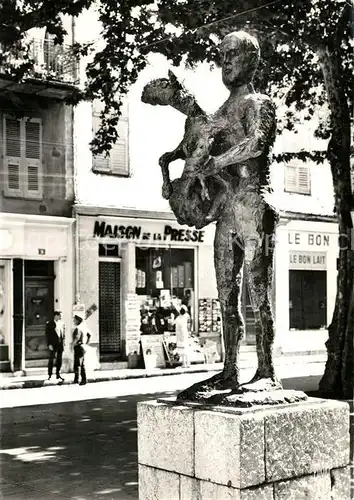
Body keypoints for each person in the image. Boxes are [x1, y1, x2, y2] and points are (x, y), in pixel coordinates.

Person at [45, 311, 65, 381]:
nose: (61, 317)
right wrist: (49, 344)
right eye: (60, 316)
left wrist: (63, 343)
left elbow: (63, 335)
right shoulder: (49, 324)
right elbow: (47, 335)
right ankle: (50, 374)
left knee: (59, 360)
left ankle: (58, 374)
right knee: (51, 359)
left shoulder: (62, 324)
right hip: (53, 344)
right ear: (56, 316)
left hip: (60, 344)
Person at [72, 313, 91, 385]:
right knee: (82, 364)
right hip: (82, 347)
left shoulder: (78, 328)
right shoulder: (83, 327)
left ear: (77, 321)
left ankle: (78, 379)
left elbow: (76, 337)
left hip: (78, 347)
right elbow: (89, 335)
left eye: (74, 320)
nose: (73, 321)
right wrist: (86, 343)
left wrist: (72, 344)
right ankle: (83, 379)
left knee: (77, 364)